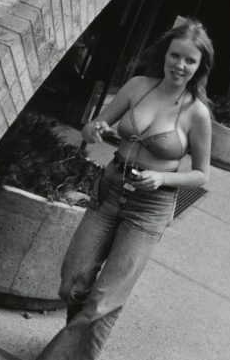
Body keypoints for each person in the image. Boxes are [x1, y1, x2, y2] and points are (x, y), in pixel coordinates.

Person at [36, 18, 214, 360]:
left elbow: (202, 175)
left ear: (200, 66)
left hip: (150, 208)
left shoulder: (198, 114)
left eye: (190, 60)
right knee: (73, 282)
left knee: (106, 297)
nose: (180, 65)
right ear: (165, 54)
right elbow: (91, 127)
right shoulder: (138, 86)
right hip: (110, 190)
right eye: (176, 55)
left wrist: (163, 178)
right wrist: (95, 130)